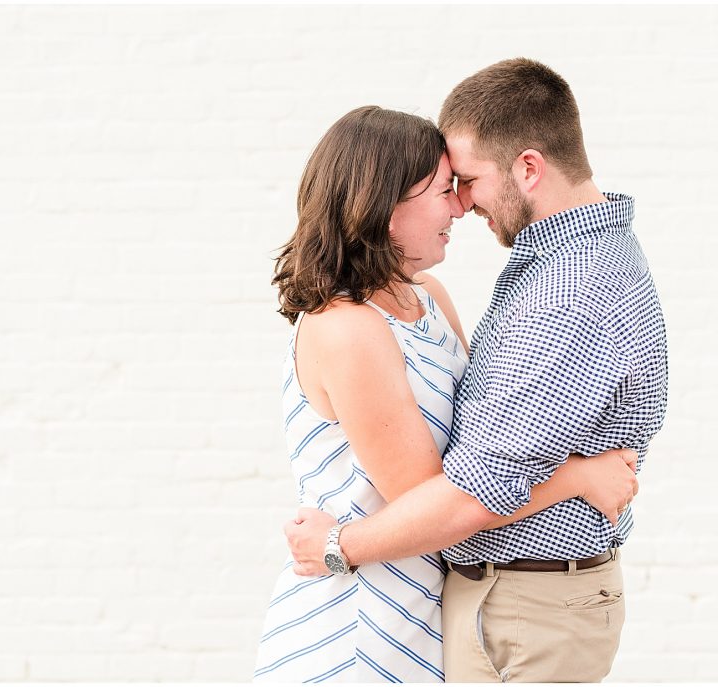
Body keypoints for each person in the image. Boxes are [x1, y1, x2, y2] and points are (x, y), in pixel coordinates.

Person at [285, 59, 668, 683]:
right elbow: (446, 481)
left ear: (528, 168)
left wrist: (341, 545)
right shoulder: (544, 271)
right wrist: (575, 477)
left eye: (465, 180)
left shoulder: (556, 290)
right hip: (382, 607)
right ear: (384, 207)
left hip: (488, 601)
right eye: (446, 188)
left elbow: (472, 485)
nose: (461, 204)